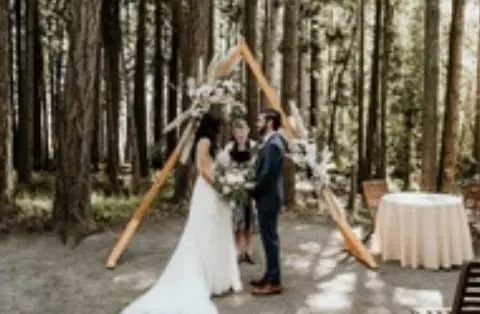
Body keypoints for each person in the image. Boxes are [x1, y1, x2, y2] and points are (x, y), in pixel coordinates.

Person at [121, 111, 242, 314]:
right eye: (219, 126)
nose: (221, 130)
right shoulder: (204, 141)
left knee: (216, 232)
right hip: (207, 190)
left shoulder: (211, 141)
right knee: (204, 233)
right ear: (212, 126)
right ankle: (204, 277)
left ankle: (217, 278)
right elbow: (204, 171)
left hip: (214, 189)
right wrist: (220, 186)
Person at [250, 108, 286, 296]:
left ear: (270, 122)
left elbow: (268, 175)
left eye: (260, 120)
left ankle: (274, 282)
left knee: (270, 239)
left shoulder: (274, 144)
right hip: (267, 196)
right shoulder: (270, 142)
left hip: (269, 197)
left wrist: (252, 190)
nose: (257, 123)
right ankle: (270, 274)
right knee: (268, 238)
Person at [221, 118, 257, 264]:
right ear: (234, 133)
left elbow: (256, 164)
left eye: (242, 131)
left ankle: (249, 251)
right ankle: (237, 251)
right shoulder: (230, 146)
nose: (240, 135)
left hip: (249, 189)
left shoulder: (253, 145)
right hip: (235, 188)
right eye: (237, 132)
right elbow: (224, 164)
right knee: (237, 222)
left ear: (247, 131)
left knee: (249, 221)